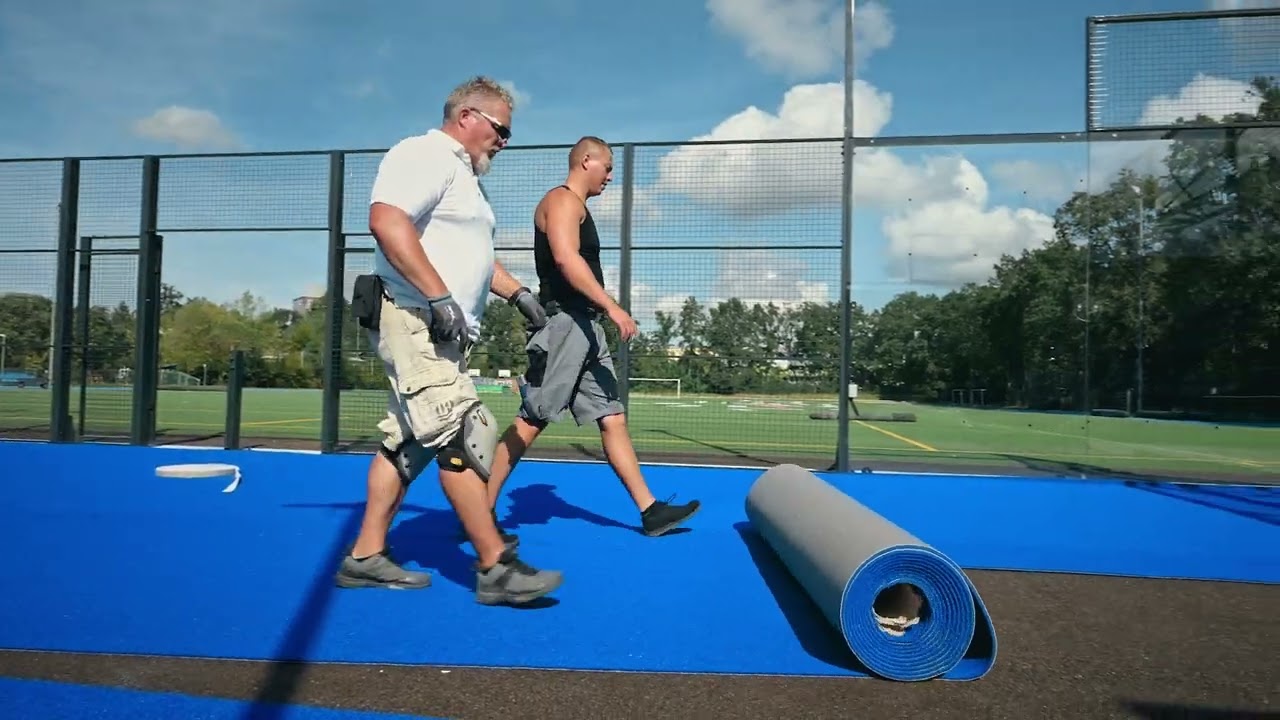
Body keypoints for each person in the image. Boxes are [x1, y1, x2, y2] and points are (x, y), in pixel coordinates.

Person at [335, 76, 562, 606]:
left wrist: (519, 295)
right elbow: (387, 221)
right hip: (414, 317)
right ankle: (494, 565)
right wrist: (438, 296)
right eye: (501, 130)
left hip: (439, 327)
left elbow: (474, 258)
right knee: (463, 432)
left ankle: (365, 556)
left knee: (406, 444)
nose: (504, 142)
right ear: (466, 117)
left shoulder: (467, 179)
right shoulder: (424, 154)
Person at [483, 136, 701, 537]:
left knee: (612, 416)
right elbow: (566, 259)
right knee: (533, 417)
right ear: (586, 161)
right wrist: (612, 306)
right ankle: (479, 511)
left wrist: (600, 313)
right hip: (564, 324)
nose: (611, 176)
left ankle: (650, 511)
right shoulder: (562, 200)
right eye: (608, 167)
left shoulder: (577, 206)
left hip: (587, 327)